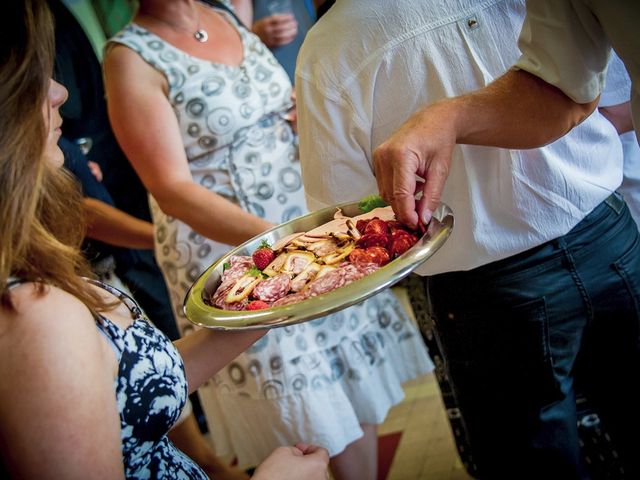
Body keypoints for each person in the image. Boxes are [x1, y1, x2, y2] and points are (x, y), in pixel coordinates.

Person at [295, 0, 640, 478]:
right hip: (611, 236)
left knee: (531, 467)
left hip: (491, 292)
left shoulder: (327, 47)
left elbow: (346, 212)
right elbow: (616, 104)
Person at [102, 1, 433, 478]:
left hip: (306, 231)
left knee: (349, 386)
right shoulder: (129, 57)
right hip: (239, 254)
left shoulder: (227, 14)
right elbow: (171, 189)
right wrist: (282, 243)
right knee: (313, 406)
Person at [0, 1, 331, 478]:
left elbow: (132, 389)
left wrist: (270, 301)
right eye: (34, 78)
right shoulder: (34, 316)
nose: (59, 92)